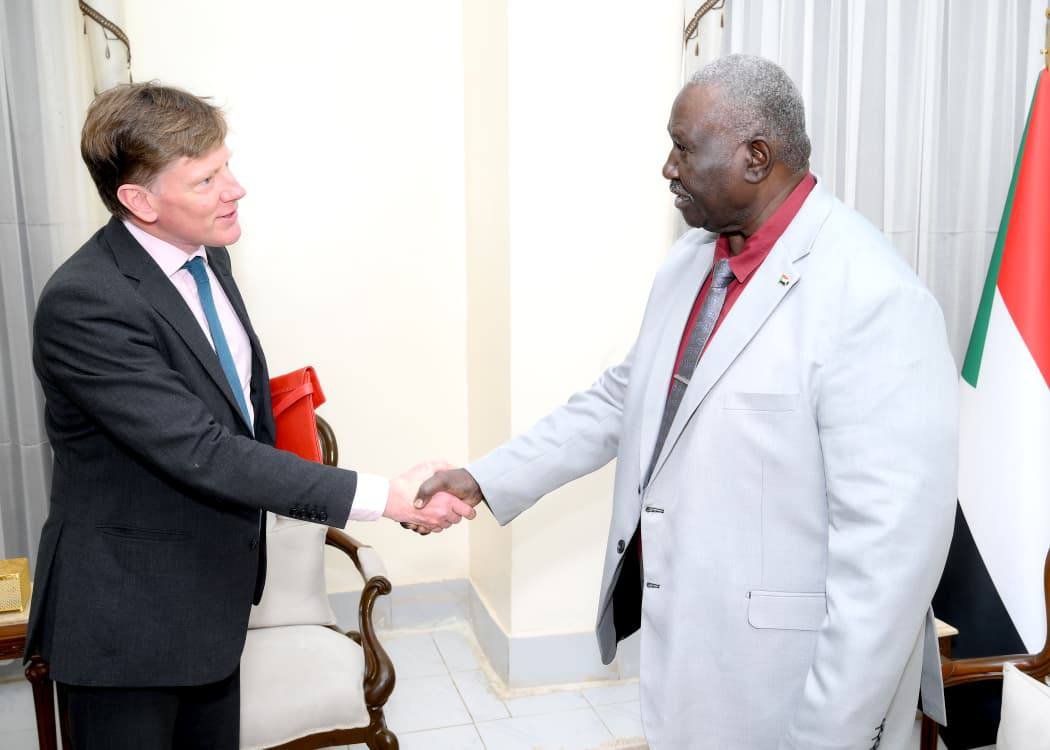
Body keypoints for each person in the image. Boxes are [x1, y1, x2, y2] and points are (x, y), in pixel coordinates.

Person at [416, 55, 958, 749]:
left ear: (755, 157)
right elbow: (623, 398)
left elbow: (888, 561)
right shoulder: (690, 262)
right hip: (693, 656)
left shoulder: (875, 298)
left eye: (683, 148)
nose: (668, 168)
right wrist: (484, 476)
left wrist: (831, 734)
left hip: (793, 686)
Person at [24, 82, 475, 749]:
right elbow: (203, 450)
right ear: (139, 201)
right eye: (206, 180)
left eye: (226, 166)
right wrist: (387, 496)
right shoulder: (86, 303)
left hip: (215, 602)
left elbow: (233, 410)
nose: (235, 189)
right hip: (128, 622)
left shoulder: (210, 258)